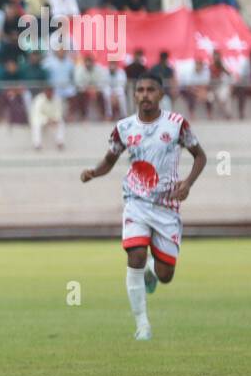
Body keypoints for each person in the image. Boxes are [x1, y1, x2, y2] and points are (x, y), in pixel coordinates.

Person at [80, 73, 207, 340]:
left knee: (165, 274)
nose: (145, 94)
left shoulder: (176, 125)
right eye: (140, 90)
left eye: (151, 90)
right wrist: (93, 172)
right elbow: (110, 159)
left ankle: (153, 270)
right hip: (136, 202)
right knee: (134, 256)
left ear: (161, 94)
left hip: (166, 207)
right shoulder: (124, 128)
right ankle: (142, 325)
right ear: (134, 94)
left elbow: (200, 156)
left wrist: (188, 184)